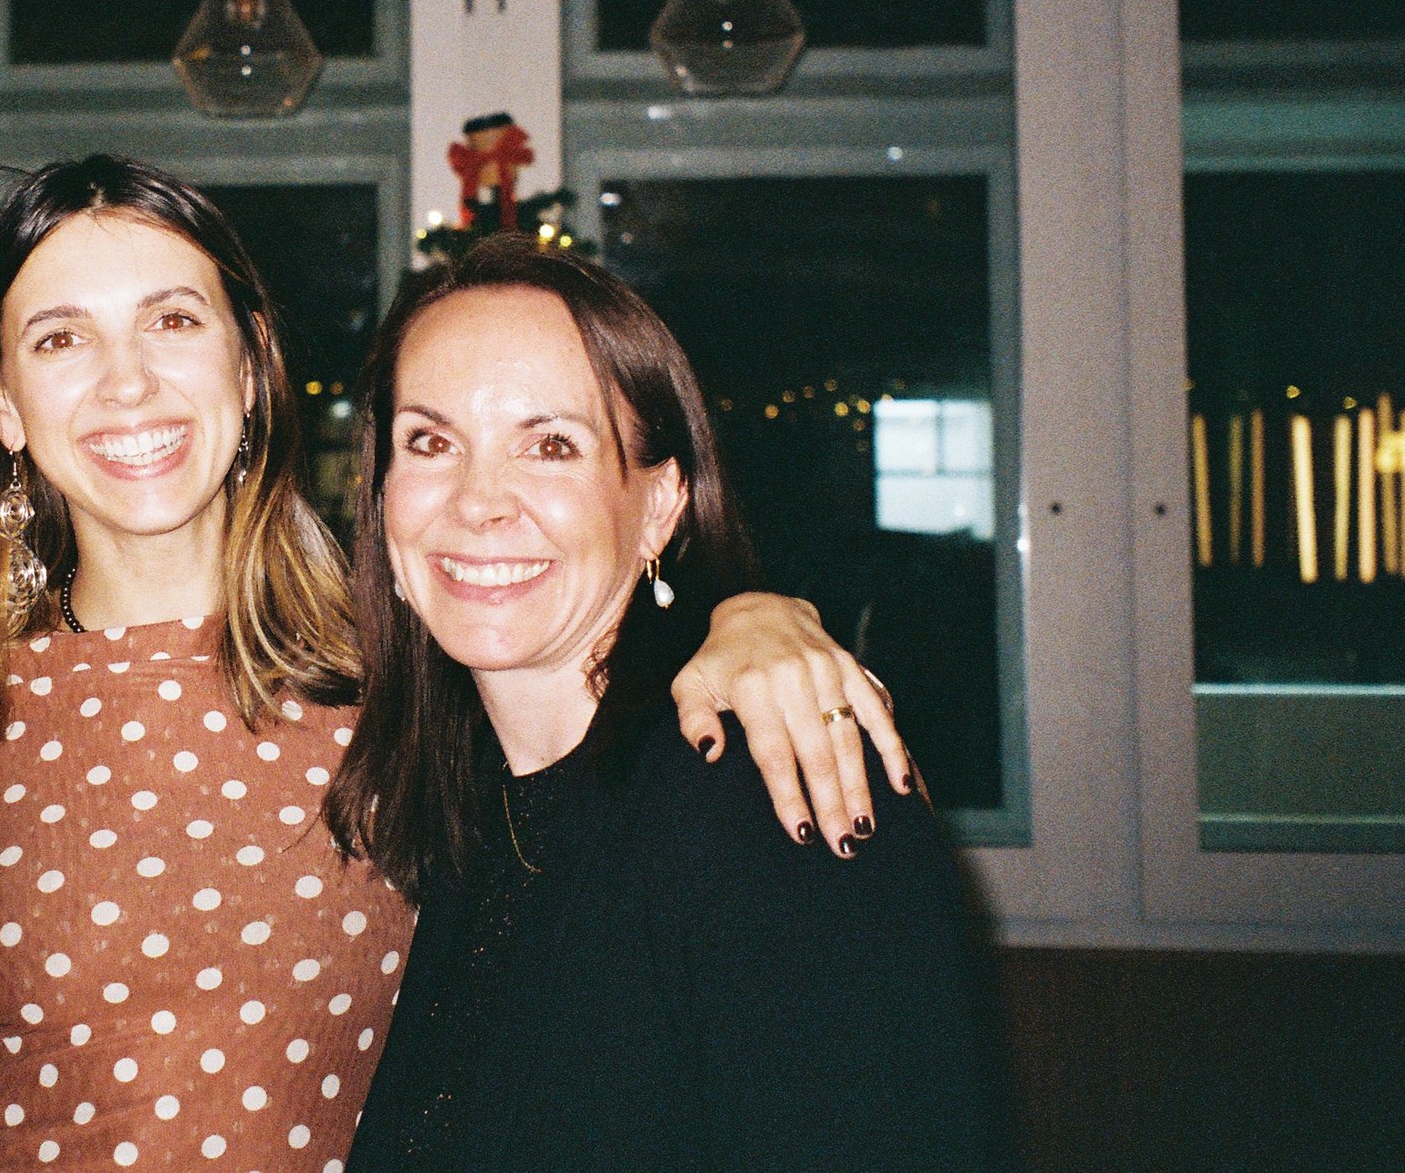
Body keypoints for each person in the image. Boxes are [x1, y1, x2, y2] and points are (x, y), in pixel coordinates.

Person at [0, 157, 913, 1173]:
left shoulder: (411, 679)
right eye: (62, 337)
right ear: (1, 401)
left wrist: (749, 616)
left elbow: (590, 694)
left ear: (251, 364)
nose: (128, 382)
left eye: (172, 319)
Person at [336, 236, 1011, 1171]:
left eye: (550, 445)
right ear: (380, 495)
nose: (478, 501)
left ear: (659, 504)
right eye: (431, 442)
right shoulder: (465, 806)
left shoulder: (772, 798)